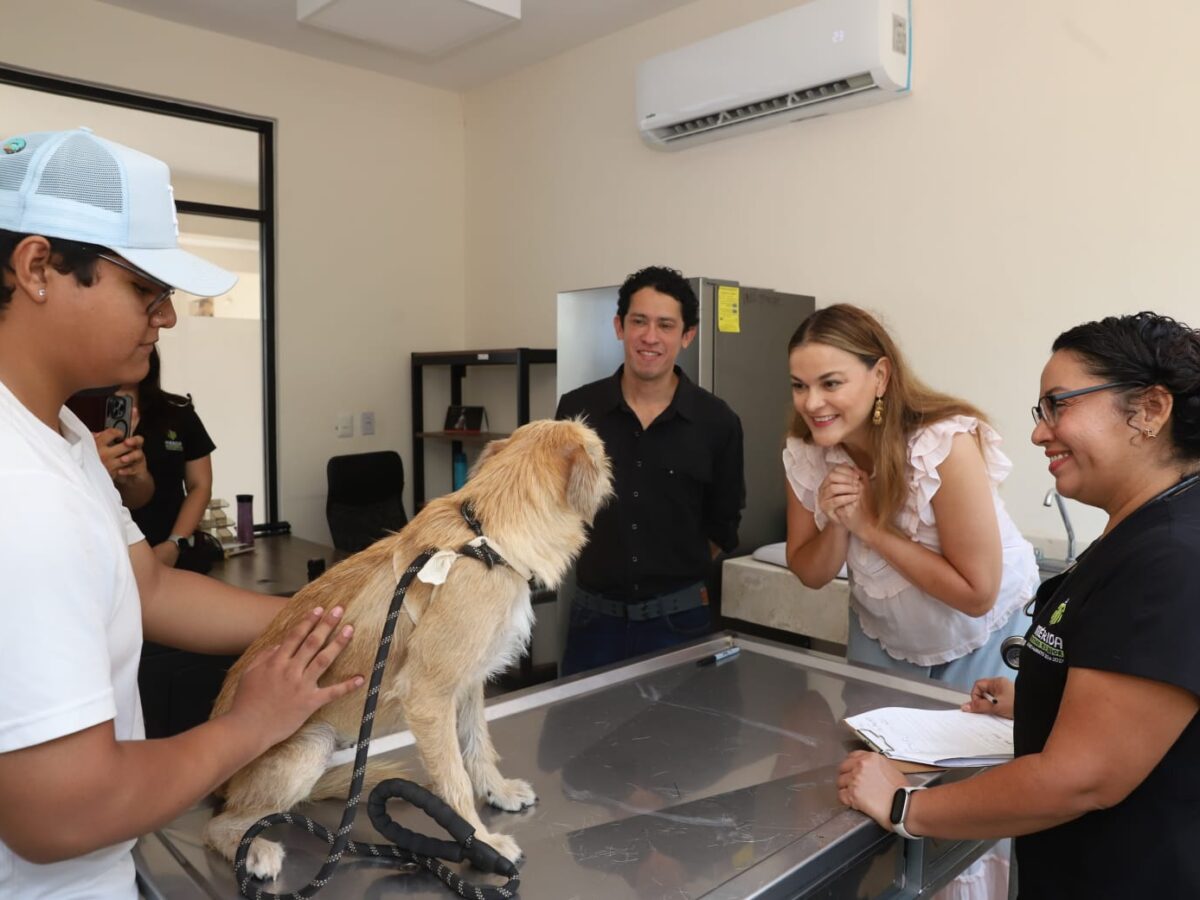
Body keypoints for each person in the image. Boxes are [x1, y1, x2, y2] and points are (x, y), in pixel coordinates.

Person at [0, 128, 361, 898]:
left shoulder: (60, 436)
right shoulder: (19, 491)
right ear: (38, 268)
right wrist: (251, 725)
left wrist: (329, 617)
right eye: (145, 290)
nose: (165, 319)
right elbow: (62, 812)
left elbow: (149, 591)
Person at [837, 311, 1200, 899]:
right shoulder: (1140, 529)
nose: (1039, 432)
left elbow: (1080, 780)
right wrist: (1039, 696)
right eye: (1041, 411)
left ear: (1151, 410)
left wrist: (906, 805)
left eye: (1059, 405)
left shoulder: (1172, 557)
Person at [784, 304, 1038, 899]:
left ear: (880, 377)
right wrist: (841, 526)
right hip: (883, 638)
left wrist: (872, 528)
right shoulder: (805, 450)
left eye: (831, 383)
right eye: (799, 385)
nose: (812, 402)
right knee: (874, 788)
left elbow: (976, 594)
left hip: (981, 644)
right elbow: (809, 571)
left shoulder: (941, 443)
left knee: (967, 812)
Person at [555, 265, 745, 676]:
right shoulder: (576, 412)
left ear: (687, 335)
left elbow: (723, 524)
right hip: (593, 623)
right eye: (639, 321)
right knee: (576, 738)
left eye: (665, 325)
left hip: (680, 623)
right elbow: (558, 504)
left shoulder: (718, 422)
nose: (650, 337)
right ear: (619, 326)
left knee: (680, 740)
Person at [118, 347, 217, 569]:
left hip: (171, 550)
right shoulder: (76, 416)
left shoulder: (178, 411)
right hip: (108, 554)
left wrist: (174, 543)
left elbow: (200, 485)